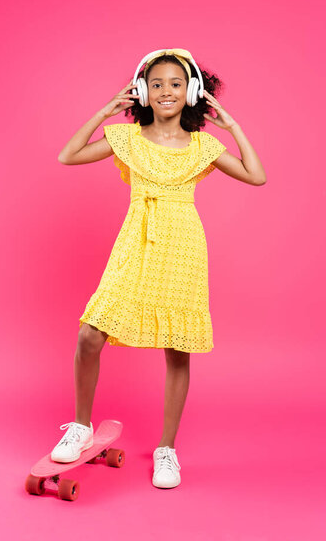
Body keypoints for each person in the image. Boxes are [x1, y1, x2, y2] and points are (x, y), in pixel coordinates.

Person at [51, 49, 267, 489]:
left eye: (174, 83)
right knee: (91, 332)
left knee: (177, 346)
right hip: (136, 238)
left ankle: (168, 450)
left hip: (183, 244)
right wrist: (106, 111)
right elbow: (68, 155)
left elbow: (256, 175)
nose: (165, 91)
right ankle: (81, 426)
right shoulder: (127, 138)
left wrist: (233, 127)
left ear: (190, 92)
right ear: (142, 92)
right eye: (155, 84)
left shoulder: (204, 146)